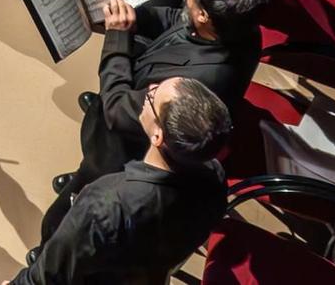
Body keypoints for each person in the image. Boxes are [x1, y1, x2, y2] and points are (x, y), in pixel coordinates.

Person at [40, 0, 266, 243]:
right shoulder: (238, 27)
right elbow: (176, 21)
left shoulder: (192, 84)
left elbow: (117, 108)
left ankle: (49, 245)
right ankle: (78, 179)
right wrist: (133, 17)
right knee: (82, 176)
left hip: (124, 149)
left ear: (203, 15)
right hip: (136, 116)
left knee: (72, 212)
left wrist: (117, 37)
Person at [17, 74, 230, 284]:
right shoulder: (215, 179)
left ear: (158, 135)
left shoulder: (107, 202)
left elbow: (50, 276)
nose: (150, 88)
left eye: (153, 96)